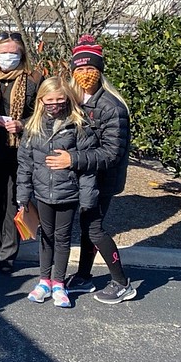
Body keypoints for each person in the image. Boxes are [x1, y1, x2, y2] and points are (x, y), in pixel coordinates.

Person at [46, 35, 136, 304]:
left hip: (103, 179)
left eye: (91, 68)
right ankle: (84, 277)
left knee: (94, 228)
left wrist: (72, 160)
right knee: (86, 227)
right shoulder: (75, 101)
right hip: (83, 178)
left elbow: (111, 154)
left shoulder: (111, 107)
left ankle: (122, 282)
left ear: (100, 71)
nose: (85, 74)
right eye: (80, 69)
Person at [17, 76, 98, 308]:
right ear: (41, 100)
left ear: (67, 100)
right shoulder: (33, 126)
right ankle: (44, 280)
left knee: (62, 239)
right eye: (49, 100)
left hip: (68, 193)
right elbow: (25, 164)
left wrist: (86, 198)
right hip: (42, 193)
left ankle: (59, 282)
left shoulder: (78, 125)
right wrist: (23, 195)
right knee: (45, 236)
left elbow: (87, 166)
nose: (54, 104)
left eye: (59, 99)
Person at [0, 30, 39, 274]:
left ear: (22, 54)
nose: (8, 57)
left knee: (13, 201)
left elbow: (40, 114)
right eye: (3, 52)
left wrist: (23, 124)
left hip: (19, 151)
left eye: (13, 53)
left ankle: (8, 254)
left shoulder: (33, 80)